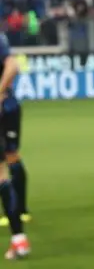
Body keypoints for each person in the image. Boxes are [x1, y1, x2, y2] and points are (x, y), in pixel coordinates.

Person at [0, 32, 28, 259]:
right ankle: (19, 238)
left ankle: (19, 238)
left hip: (5, 108)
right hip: (6, 106)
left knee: (6, 166)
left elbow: (13, 66)